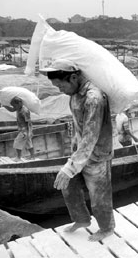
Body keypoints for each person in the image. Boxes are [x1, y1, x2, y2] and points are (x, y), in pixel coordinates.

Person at [41, 59, 115, 242]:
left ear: (73, 77)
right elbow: (78, 125)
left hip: (97, 154)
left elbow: (91, 137)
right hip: (80, 153)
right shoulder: (74, 94)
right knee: (68, 187)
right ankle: (82, 220)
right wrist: (73, 146)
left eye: (60, 85)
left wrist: (69, 167)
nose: (60, 90)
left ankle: (107, 227)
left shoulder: (94, 98)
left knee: (98, 195)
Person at [3, 97, 35, 161]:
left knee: (17, 142)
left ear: (19, 103)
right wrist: (4, 106)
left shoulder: (24, 111)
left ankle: (18, 157)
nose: (14, 107)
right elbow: (12, 110)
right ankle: (32, 157)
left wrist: (29, 132)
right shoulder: (18, 108)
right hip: (23, 129)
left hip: (24, 130)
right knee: (28, 143)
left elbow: (29, 122)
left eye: (15, 105)